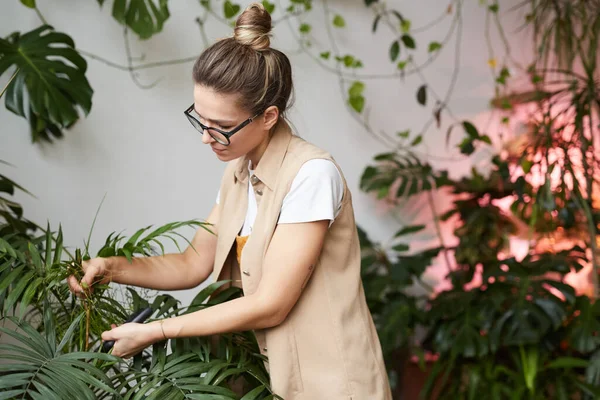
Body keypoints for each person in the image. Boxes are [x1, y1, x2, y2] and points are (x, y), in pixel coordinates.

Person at [68, 3, 392, 399]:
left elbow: (271, 304)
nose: (206, 137)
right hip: (265, 379)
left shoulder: (311, 175)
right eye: (200, 120)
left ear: (269, 116)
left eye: (221, 127)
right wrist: (111, 268)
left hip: (331, 384)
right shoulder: (240, 173)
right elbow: (193, 262)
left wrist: (157, 330)